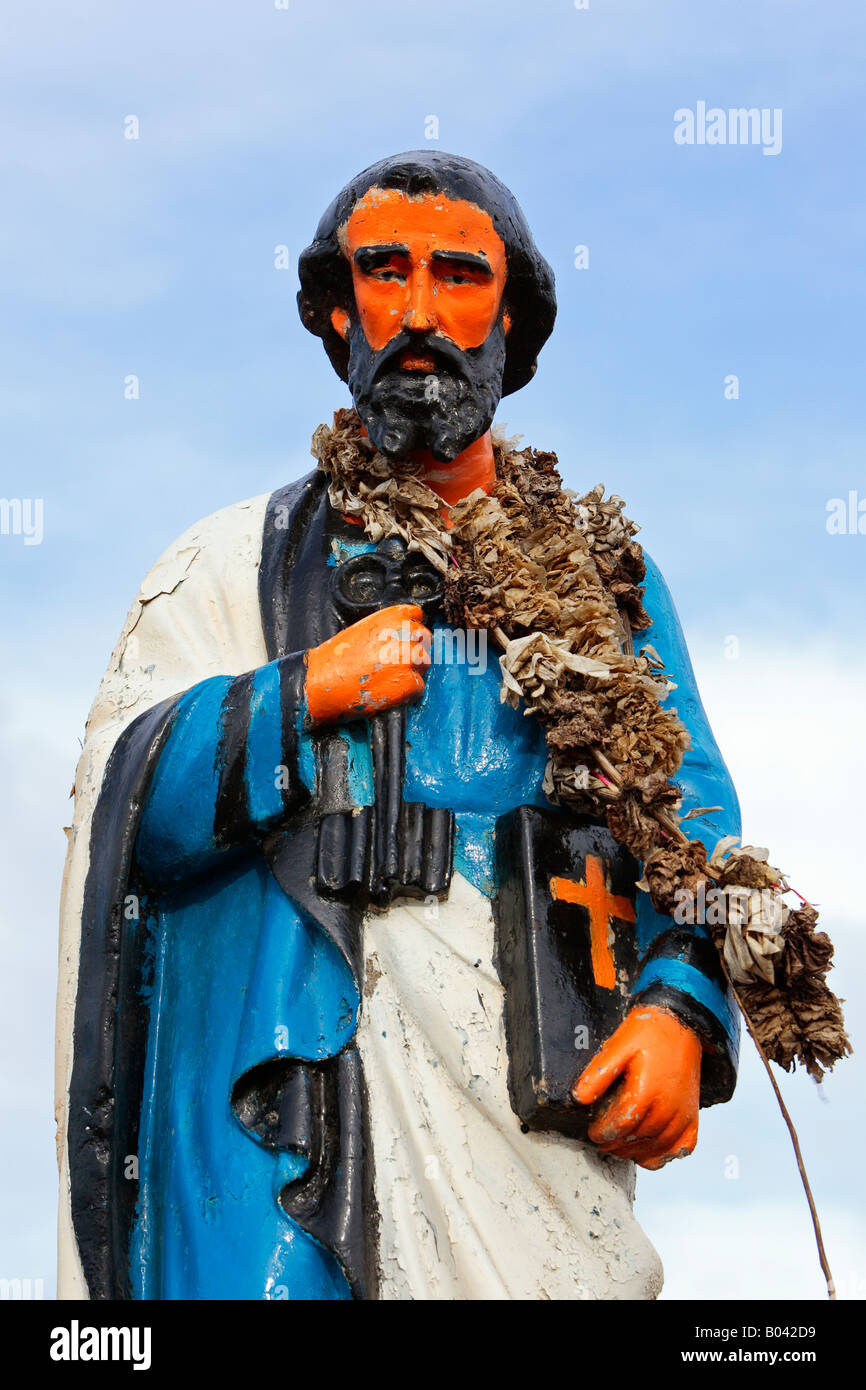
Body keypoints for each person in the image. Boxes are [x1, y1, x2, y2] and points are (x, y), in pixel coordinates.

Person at [57, 151, 740, 1300]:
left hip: (526, 1123)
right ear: (337, 308)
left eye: (459, 275)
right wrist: (301, 693)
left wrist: (679, 1007)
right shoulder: (229, 567)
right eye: (384, 270)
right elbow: (127, 806)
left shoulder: (605, 589)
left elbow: (697, 831)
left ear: (511, 319)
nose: (419, 311)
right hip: (278, 1106)